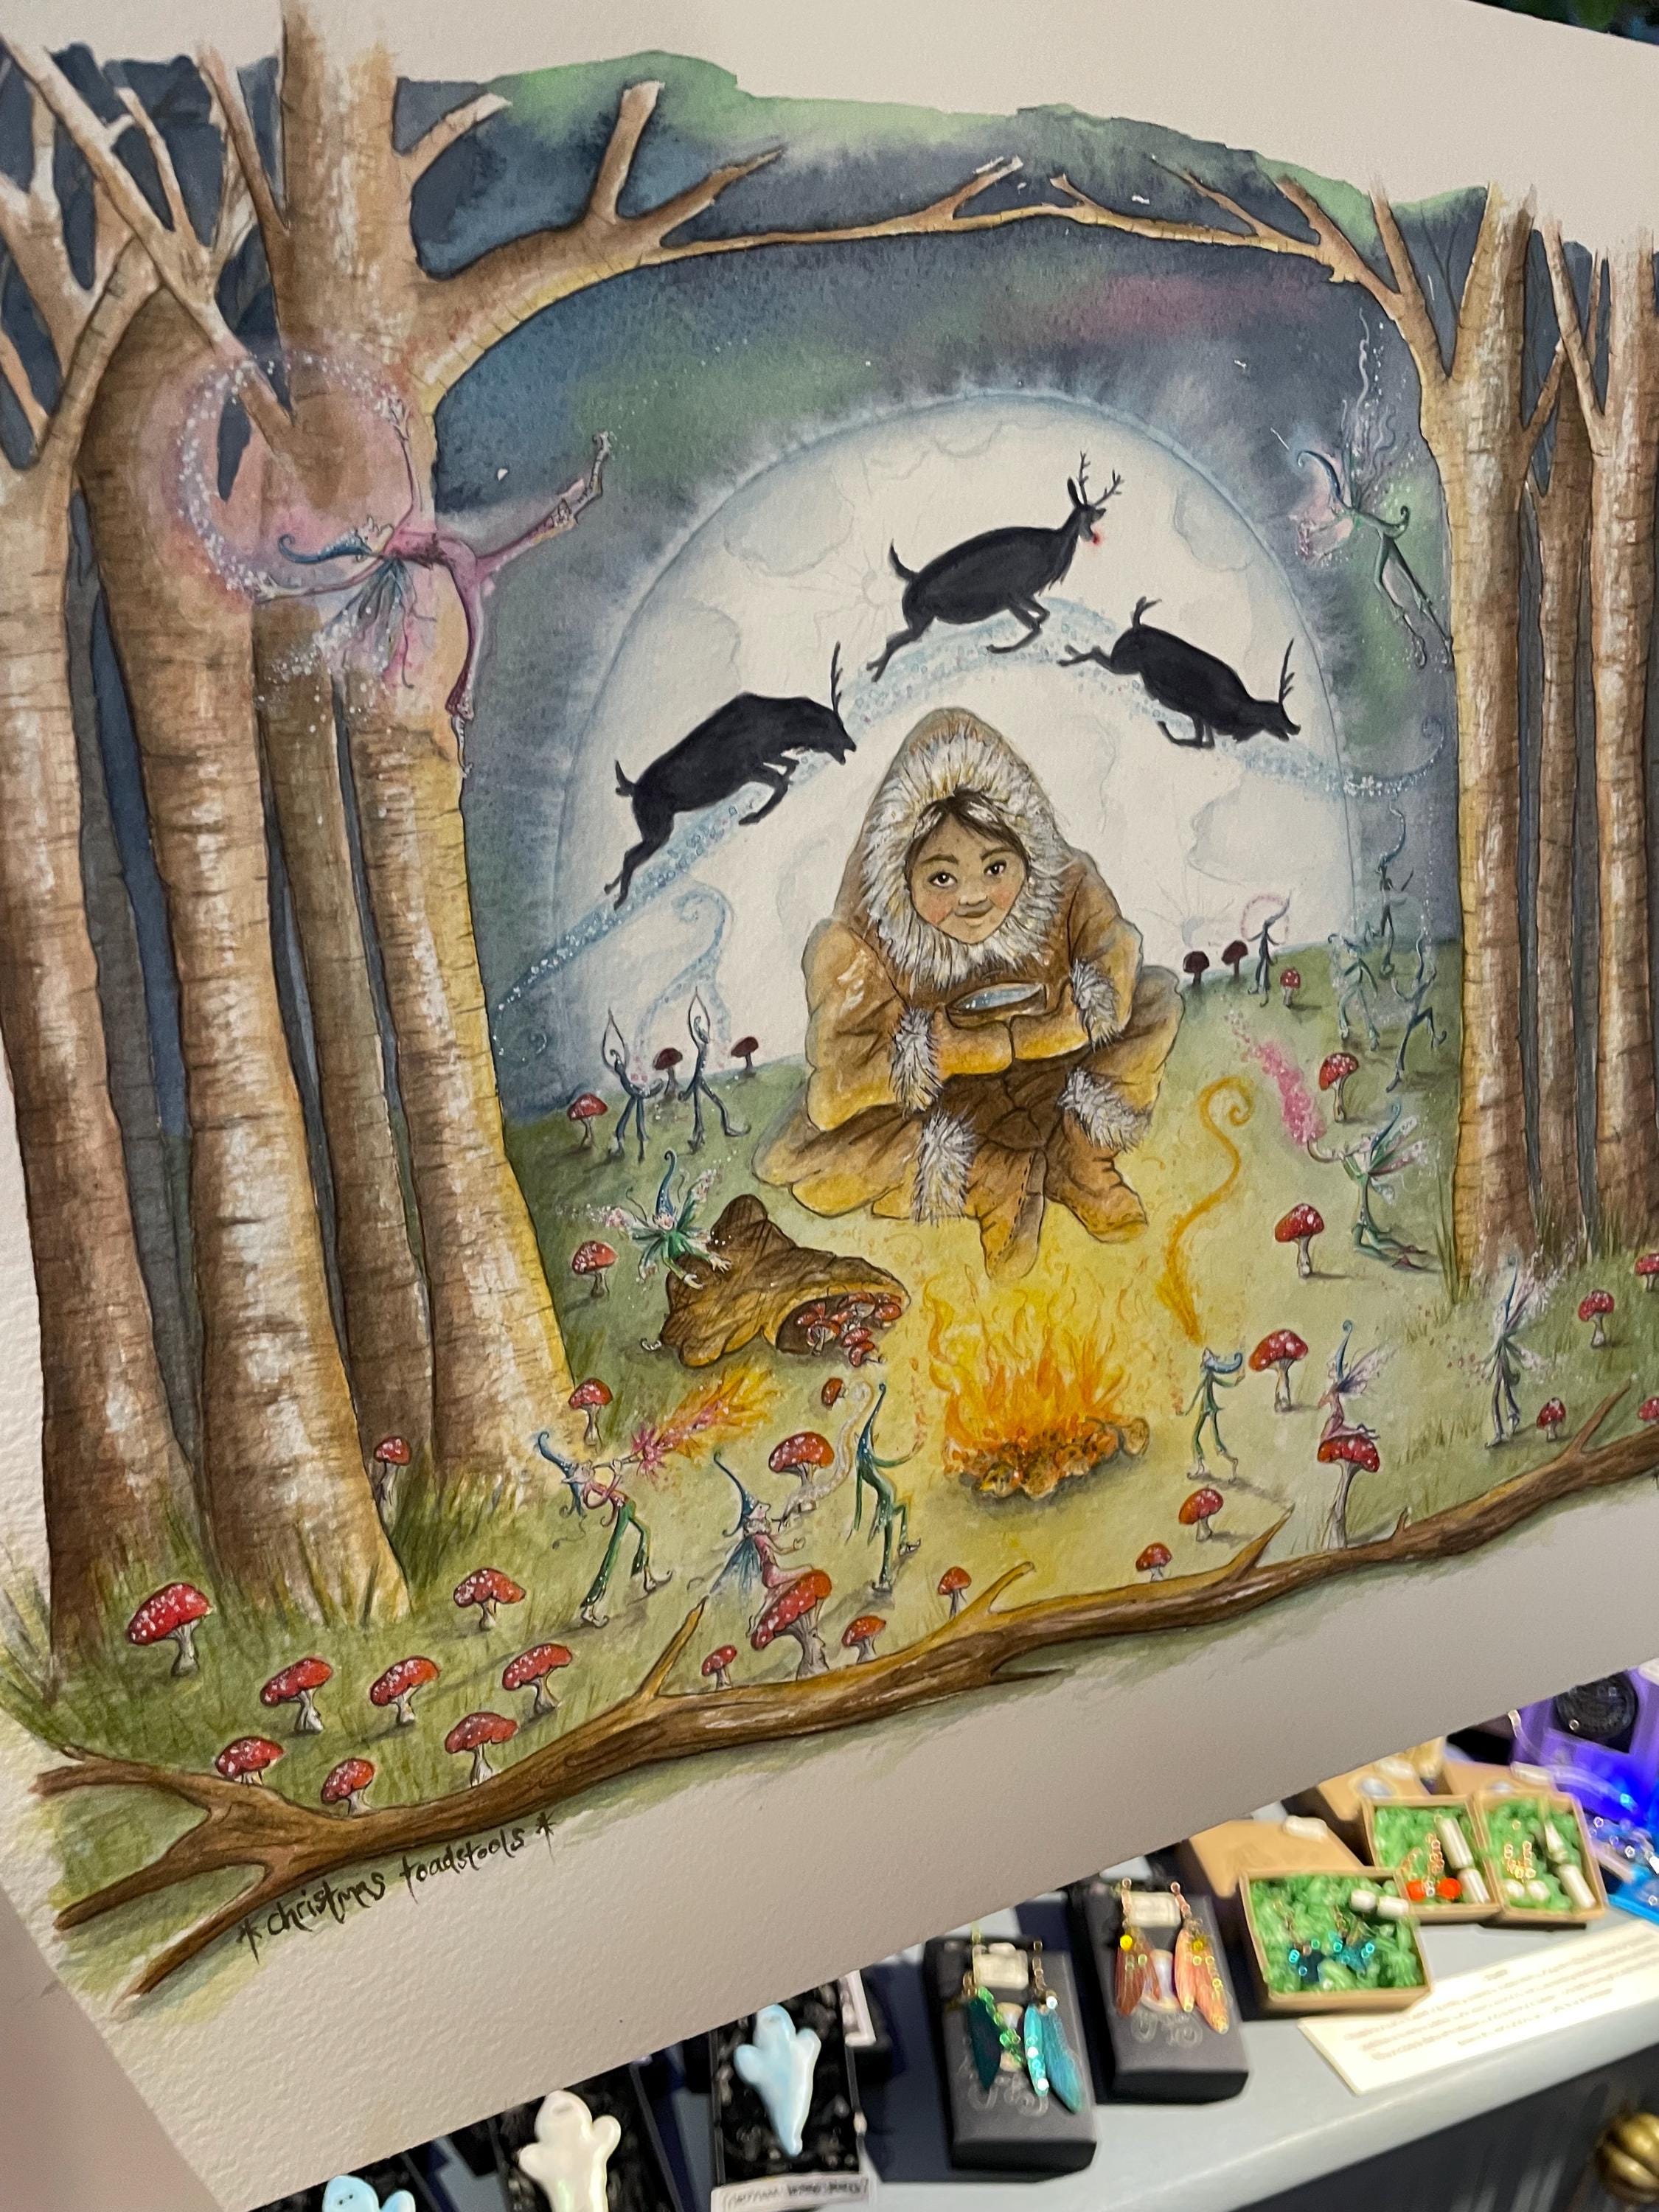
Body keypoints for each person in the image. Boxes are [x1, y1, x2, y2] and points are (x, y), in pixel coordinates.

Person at [757, 706, 1180, 1279]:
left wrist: (1048, 1031)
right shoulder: (861, 943)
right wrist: (945, 1055)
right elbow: (839, 1085)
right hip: (946, 1110)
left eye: (995, 868)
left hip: (1052, 1081)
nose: (973, 897)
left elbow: (1114, 961)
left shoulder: (1067, 886)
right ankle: (994, 1179)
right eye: (942, 878)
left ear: (1027, 856)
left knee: (1154, 1001)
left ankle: (1077, 1156)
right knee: (806, 1155)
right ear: (901, 877)